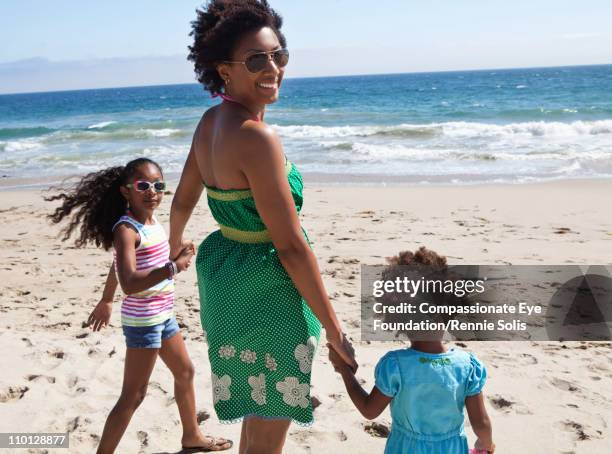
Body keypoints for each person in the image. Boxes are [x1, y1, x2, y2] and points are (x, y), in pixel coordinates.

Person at [170, 1, 357, 452]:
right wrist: (335, 333)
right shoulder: (257, 137)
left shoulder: (210, 121)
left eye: (279, 54)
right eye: (256, 60)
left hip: (226, 279)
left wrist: (174, 248)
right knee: (272, 421)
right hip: (268, 284)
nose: (273, 67)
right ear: (224, 71)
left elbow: (183, 199)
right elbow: (291, 247)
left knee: (259, 409)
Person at [46, 157, 232, 453]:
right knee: (134, 395)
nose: (152, 192)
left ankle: (191, 436)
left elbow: (117, 267)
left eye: (158, 185)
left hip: (163, 315)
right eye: (143, 185)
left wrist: (107, 299)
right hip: (143, 320)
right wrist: (174, 266)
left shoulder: (152, 222)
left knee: (185, 372)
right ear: (126, 191)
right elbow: (130, 281)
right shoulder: (126, 229)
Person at [328, 248, 495, 454]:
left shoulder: (396, 365)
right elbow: (481, 424)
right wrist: (486, 444)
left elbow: (369, 410)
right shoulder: (467, 366)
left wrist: (345, 372)